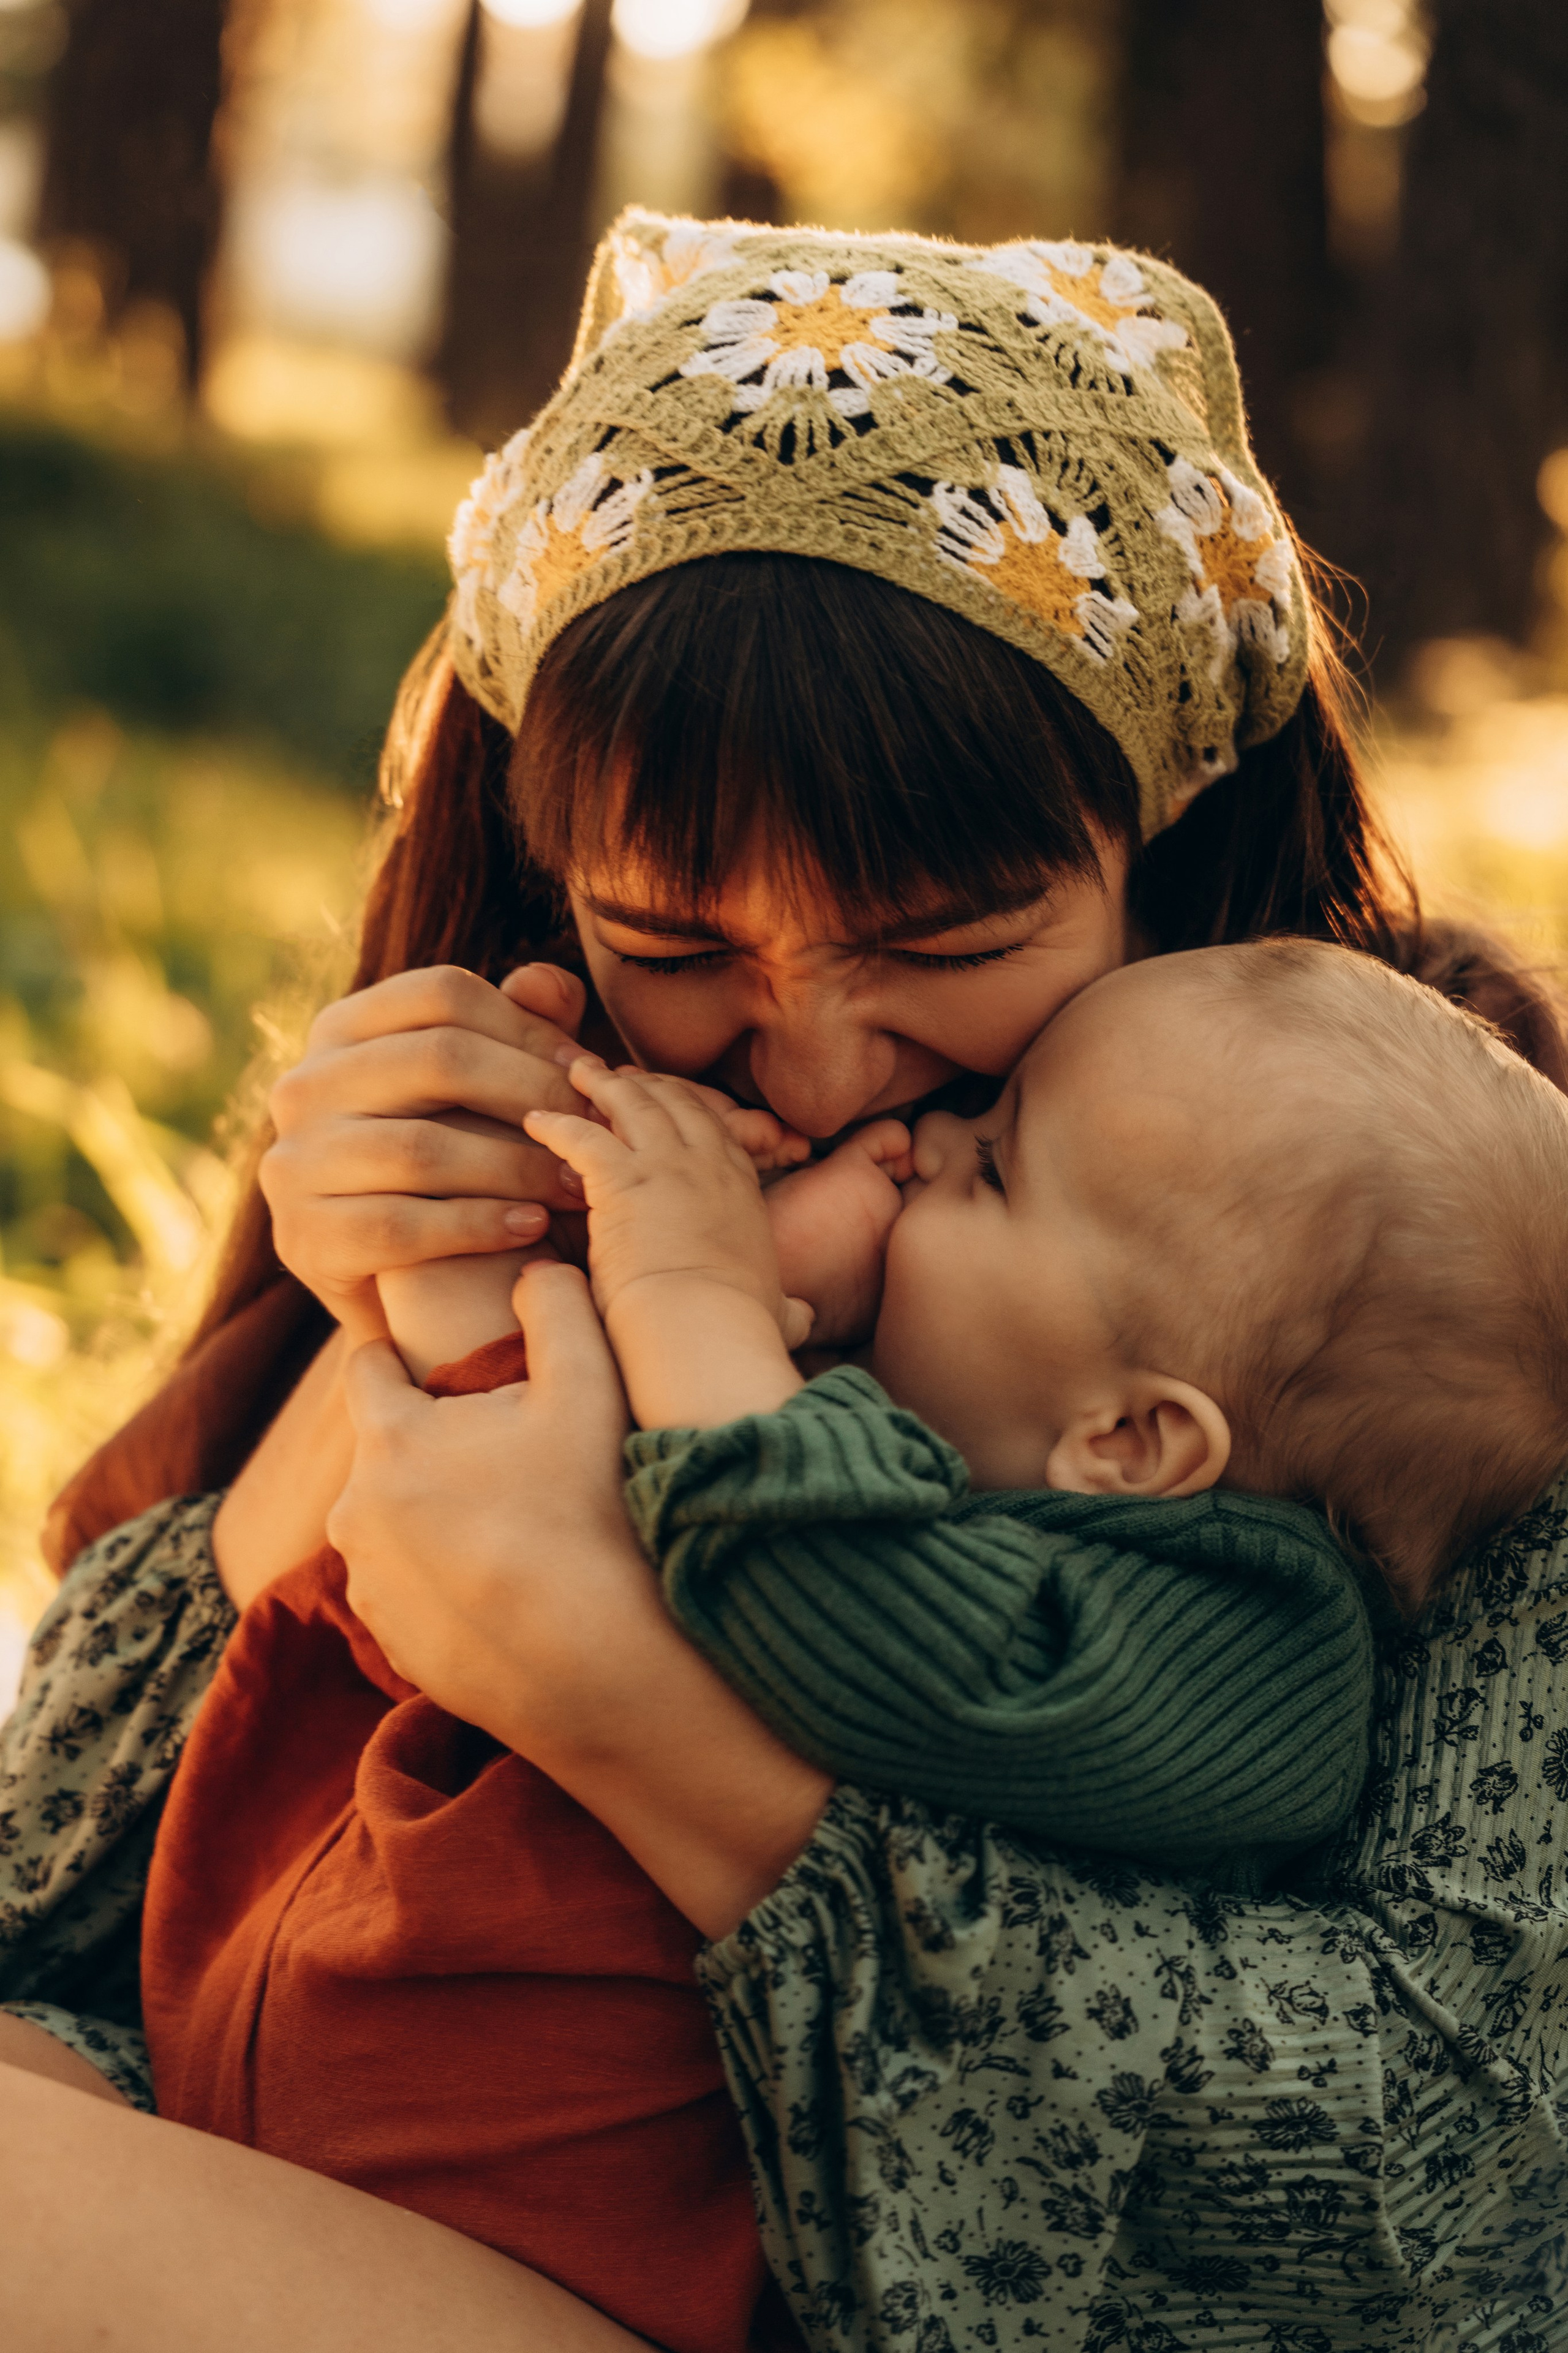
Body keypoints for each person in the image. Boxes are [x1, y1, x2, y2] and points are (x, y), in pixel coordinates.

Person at [0, 211, 1563, 2352]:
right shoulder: (558, 1130)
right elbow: (39, 1897)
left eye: (946, 944)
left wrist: (625, 1698)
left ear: (1160, 836)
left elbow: (1440, 2207)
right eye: (674, 942)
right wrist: (350, 1367)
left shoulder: (1401, 1265)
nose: (819, 1069)